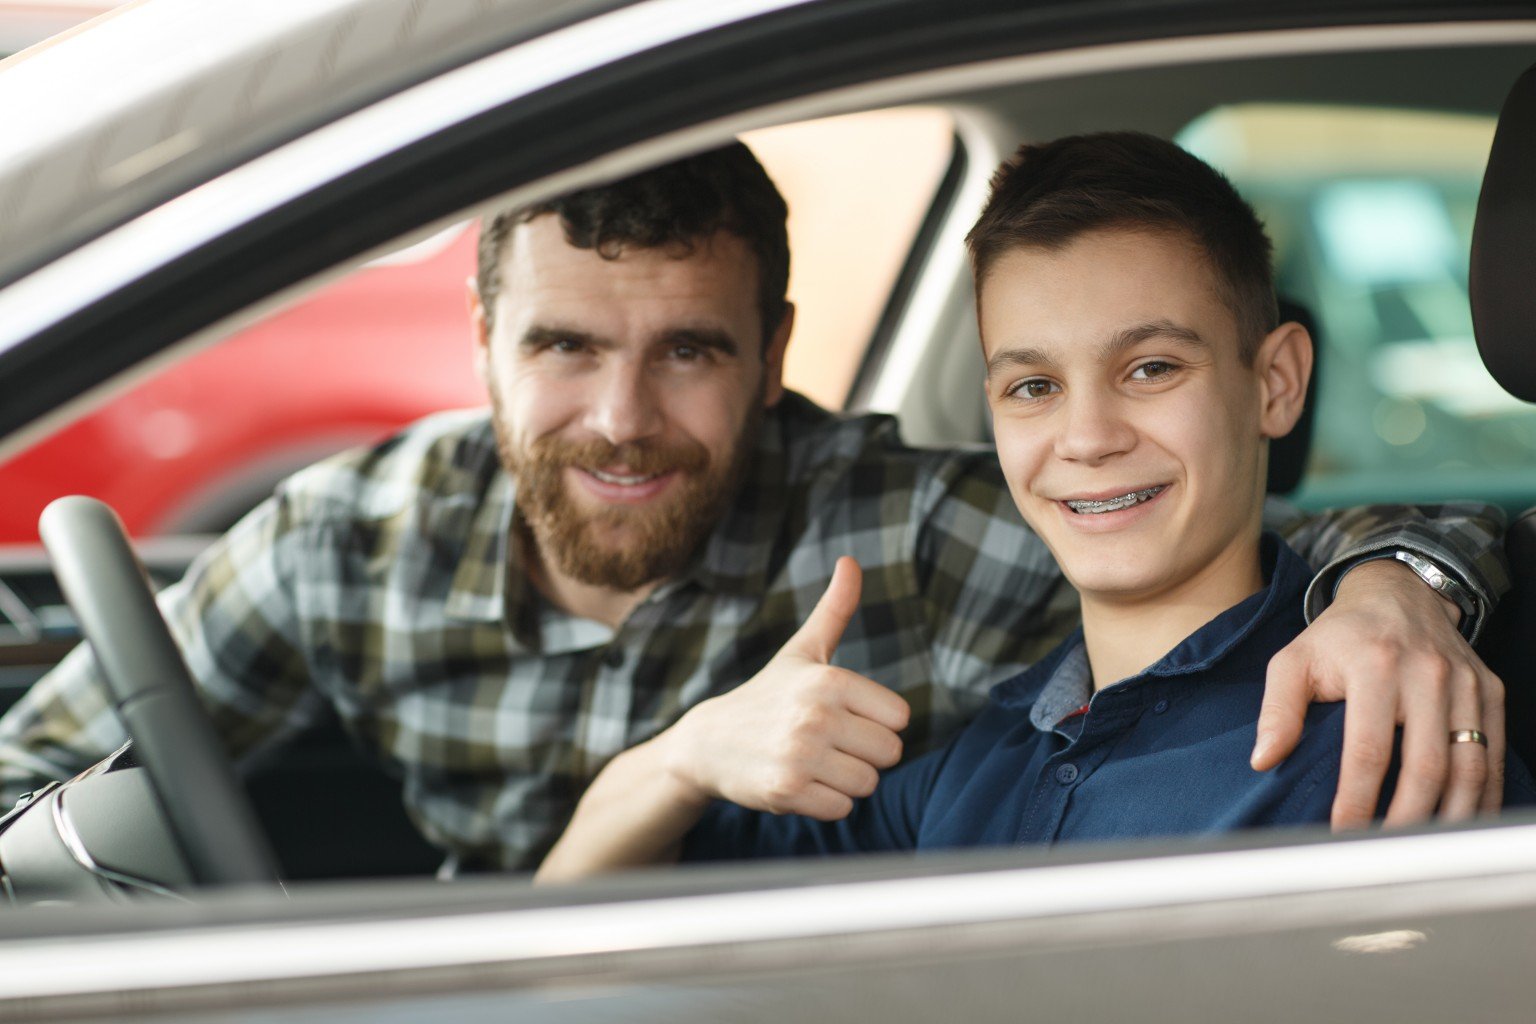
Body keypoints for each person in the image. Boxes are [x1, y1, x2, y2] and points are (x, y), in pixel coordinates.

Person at [0, 142, 1510, 875]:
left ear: (775, 356)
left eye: (691, 352)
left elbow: (1200, 543)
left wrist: (1401, 580)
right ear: (481, 353)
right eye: (565, 347)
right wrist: (677, 758)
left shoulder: (924, 539)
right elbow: (35, 782)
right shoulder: (343, 540)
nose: (621, 416)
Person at [535, 132, 1533, 880]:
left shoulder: (1381, 732)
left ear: (1274, 382)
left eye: (1150, 368)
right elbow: (588, 944)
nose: (1087, 436)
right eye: (1034, 386)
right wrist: (680, 757)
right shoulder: (983, 757)